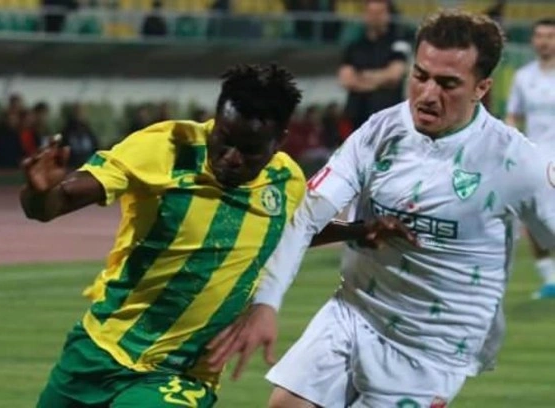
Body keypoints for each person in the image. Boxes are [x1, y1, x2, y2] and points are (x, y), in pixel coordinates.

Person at [207, 11, 555, 408]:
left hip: (432, 346)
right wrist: (266, 302)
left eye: (448, 84)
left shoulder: (515, 161)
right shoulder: (380, 130)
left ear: (482, 88)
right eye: (420, 75)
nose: (427, 94)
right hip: (354, 310)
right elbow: (305, 218)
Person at [21, 64, 413, 408]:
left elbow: (290, 233)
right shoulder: (167, 147)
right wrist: (39, 193)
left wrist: (358, 231)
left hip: (182, 373)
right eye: (225, 139)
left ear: (279, 141)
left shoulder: (285, 180)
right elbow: (55, 203)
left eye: (250, 150)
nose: (231, 157)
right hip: (99, 347)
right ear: (216, 117)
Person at [505, 18, 555, 299]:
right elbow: (514, 115)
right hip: (537, 158)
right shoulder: (523, 77)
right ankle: (550, 280)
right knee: (533, 217)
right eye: (539, 35)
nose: (544, 41)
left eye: (550, 36)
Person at [339, 0, 410, 130]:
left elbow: (394, 75)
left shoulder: (399, 43)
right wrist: (381, 80)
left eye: (380, 13)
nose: (375, 17)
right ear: (365, 14)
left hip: (389, 120)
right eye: (371, 13)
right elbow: (346, 80)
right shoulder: (354, 46)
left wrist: (362, 77)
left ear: (388, 14)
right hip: (357, 118)